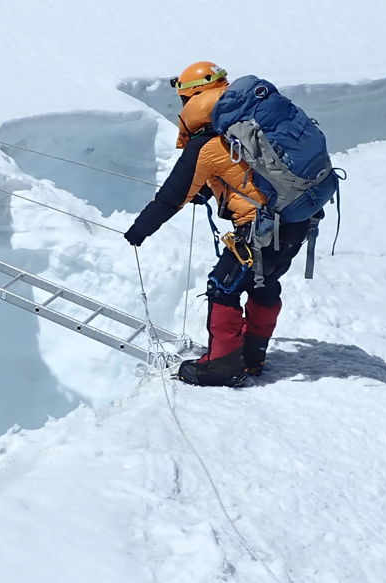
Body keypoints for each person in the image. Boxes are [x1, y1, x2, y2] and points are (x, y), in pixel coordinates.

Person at [123, 61, 313, 385]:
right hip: (298, 217)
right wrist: (210, 192)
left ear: (193, 98)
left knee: (222, 287)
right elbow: (249, 175)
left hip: (260, 229)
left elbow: (170, 199)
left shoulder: (207, 143)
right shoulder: (253, 123)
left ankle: (223, 367)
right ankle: (252, 358)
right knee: (263, 284)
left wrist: (138, 231)